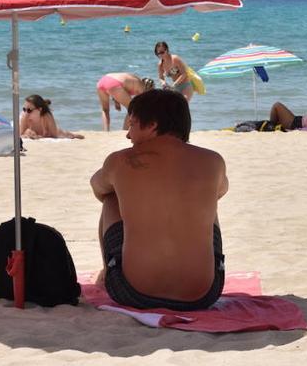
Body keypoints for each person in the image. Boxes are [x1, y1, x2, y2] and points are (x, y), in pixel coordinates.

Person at [90, 89, 227, 311]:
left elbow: (97, 187)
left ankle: (108, 271)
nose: (127, 134)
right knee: (208, 199)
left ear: (152, 125)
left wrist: (132, 192)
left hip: (133, 292)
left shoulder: (120, 161)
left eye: (132, 124)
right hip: (203, 295)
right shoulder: (213, 160)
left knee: (111, 196)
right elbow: (221, 191)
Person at [19, 94, 83, 139]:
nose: (26, 112)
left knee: (64, 134)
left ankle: (74, 135)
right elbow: (21, 134)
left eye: (29, 110)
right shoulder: (24, 116)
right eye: (24, 109)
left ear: (39, 109)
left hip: (53, 131)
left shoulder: (47, 115)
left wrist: (39, 137)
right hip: (40, 133)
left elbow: (54, 135)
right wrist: (27, 133)